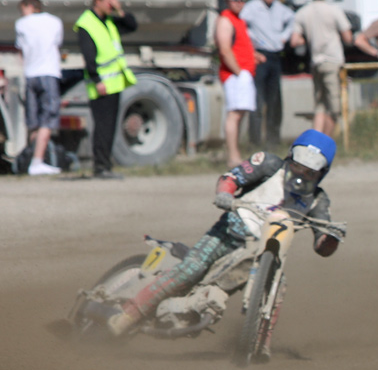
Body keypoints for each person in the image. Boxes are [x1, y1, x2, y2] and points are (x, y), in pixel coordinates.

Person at [106, 130, 344, 350]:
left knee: (278, 286)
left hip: (263, 253)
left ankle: (260, 343)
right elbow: (232, 177)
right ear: (289, 158)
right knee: (191, 269)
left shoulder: (317, 200)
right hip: (228, 233)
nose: (301, 175)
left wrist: (330, 239)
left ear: (322, 174)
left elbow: (322, 243)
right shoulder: (269, 164)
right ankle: (126, 317)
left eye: (310, 172)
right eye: (298, 166)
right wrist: (225, 194)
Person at [75, 0, 138, 180]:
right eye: (109, 1)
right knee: (102, 127)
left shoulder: (109, 21)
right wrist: (97, 80)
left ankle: (106, 165)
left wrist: (120, 10)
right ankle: (100, 167)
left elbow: (131, 25)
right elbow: (89, 56)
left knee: (110, 126)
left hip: (114, 83)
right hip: (101, 85)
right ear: (98, 1)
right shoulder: (87, 23)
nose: (112, 4)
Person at [290, 0, 353, 137]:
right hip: (333, 61)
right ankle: (323, 143)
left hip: (316, 62)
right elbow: (348, 37)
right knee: (334, 107)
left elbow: (294, 40)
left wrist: (310, 39)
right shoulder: (334, 10)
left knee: (319, 105)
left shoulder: (303, 12)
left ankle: (313, 143)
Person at [241, 0, 295, 150]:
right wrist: (252, 42)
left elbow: (292, 20)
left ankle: (273, 140)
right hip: (259, 56)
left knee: (274, 101)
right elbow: (241, 25)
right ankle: (255, 141)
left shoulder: (279, 8)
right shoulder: (252, 8)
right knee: (257, 100)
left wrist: (284, 37)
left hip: (275, 56)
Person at [15, 0, 64, 176]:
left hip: (30, 75)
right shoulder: (54, 21)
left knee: (33, 121)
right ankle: (37, 162)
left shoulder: (21, 24)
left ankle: (32, 161)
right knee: (48, 118)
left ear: (29, 6)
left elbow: (21, 50)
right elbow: (57, 44)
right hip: (48, 73)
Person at [216, 0, 257, 168]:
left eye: (242, 0)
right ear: (227, 1)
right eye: (235, 0)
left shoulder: (239, 20)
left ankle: (235, 153)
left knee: (240, 114)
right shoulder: (225, 20)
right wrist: (239, 72)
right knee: (234, 114)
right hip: (235, 74)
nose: (239, 3)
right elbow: (225, 49)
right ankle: (233, 156)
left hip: (243, 72)